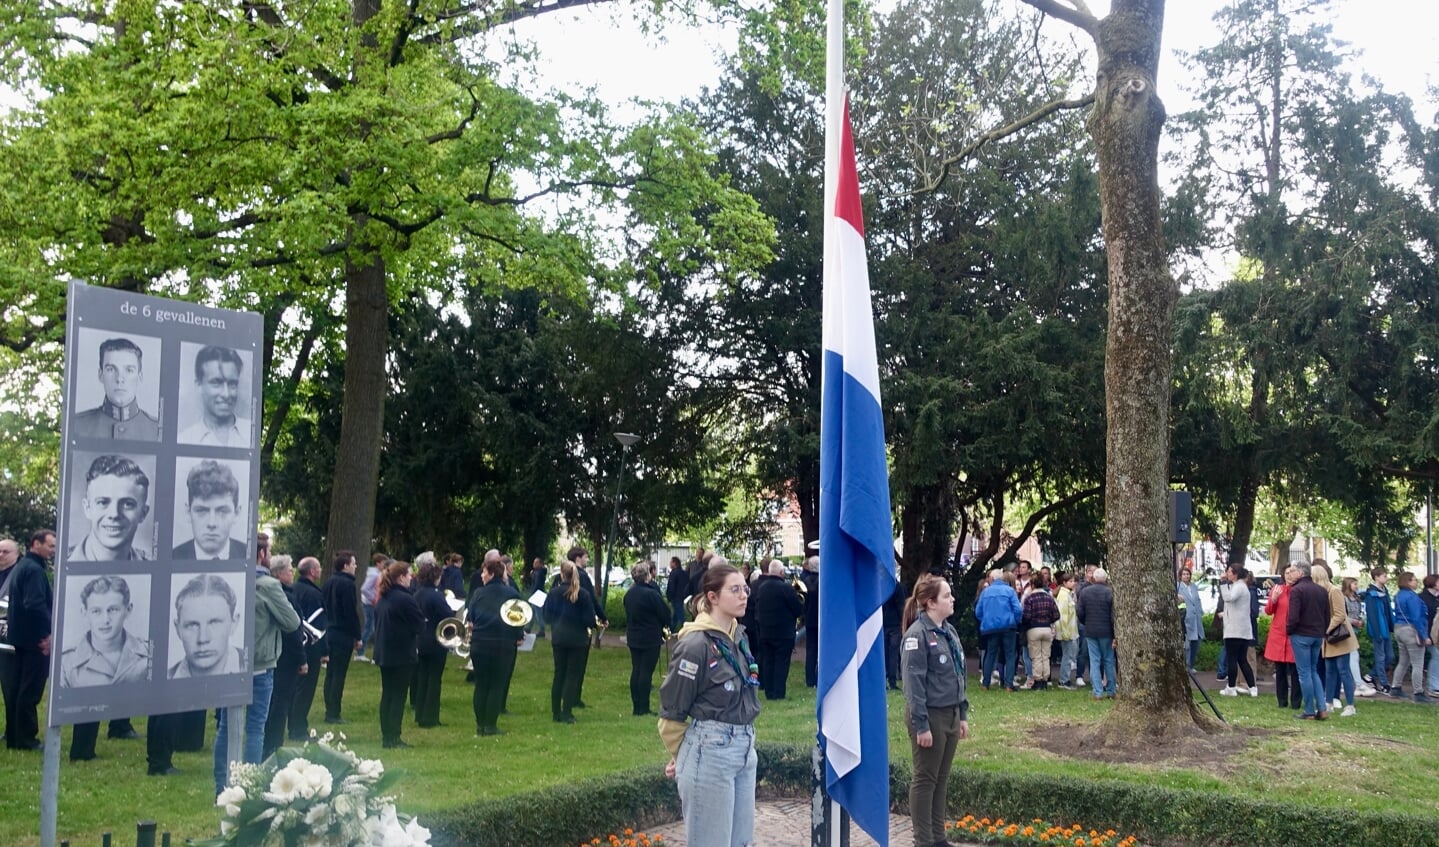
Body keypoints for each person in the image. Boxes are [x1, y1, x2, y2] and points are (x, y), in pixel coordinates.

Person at [657, 563, 761, 847]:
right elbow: (672, 713)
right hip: (711, 750)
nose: (744, 596)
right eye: (735, 590)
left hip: (744, 747)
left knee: (741, 842)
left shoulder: (739, 636)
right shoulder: (695, 644)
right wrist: (683, 755)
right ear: (712, 597)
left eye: (745, 589)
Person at [900, 574, 969, 847]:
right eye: (946, 595)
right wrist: (921, 725)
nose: (952, 599)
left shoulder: (948, 632)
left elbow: (959, 675)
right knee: (925, 779)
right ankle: (924, 841)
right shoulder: (916, 636)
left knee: (941, 779)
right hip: (930, 715)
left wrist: (962, 715)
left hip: (950, 713)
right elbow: (913, 685)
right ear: (930, 603)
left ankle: (939, 838)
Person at [63, 573, 152, 763]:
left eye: (113, 610)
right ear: (84, 611)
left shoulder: (147, 656)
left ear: (128, 610)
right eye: (96, 611)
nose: (105, 620)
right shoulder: (68, 662)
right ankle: (82, 751)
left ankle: (120, 727)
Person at [1, 532, 54, 751]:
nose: (53, 550)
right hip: (35, 641)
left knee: (17, 689)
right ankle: (26, 739)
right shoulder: (33, 570)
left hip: (20, 639)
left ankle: (15, 736)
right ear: (36, 544)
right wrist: (52, 631)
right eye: (50, 546)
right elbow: (34, 604)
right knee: (29, 691)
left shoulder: (22, 568)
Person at [465, 555, 523, 736]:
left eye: (483, 571)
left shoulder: (478, 594)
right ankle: (490, 725)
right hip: (502, 643)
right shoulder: (511, 593)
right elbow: (518, 619)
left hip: (480, 643)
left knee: (481, 684)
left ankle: (480, 725)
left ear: (491, 573)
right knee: (496, 685)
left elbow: (471, 619)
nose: (481, 575)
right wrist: (518, 636)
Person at [372, 561, 424, 749]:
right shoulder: (404, 598)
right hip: (401, 653)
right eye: (409, 575)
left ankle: (387, 735)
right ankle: (394, 736)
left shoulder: (383, 597)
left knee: (388, 694)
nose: (411, 578)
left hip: (385, 652)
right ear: (401, 577)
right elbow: (419, 624)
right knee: (398, 696)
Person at [543, 553, 598, 723]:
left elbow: (546, 617)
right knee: (572, 676)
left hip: (559, 637)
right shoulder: (582, 594)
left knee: (559, 674)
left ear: (561, 575)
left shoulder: (553, 593)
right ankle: (567, 712)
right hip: (578, 639)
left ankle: (555, 712)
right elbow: (589, 620)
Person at [71, 337, 161, 441]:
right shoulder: (76, 425)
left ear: (140, 376)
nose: (119, 379)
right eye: (111, 369)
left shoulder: (157, 430)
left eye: (129, 370)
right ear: (100, 375)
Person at [262, 555, 307, 757]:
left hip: (280, 654)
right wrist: (302, 658)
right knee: (280, 702)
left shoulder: (286, 592)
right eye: (289, 569)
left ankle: (271, 742)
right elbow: (293, 629)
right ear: (279, 573)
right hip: (286, 656)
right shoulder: (282, 595)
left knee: (277, 701)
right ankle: (273, 745)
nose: (293, 572)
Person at [68, 454, 152, 561]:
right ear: (87, 508)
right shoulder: (62, 561)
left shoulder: (153, 564)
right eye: (103, 502)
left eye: (127, 504)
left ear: (143, 513)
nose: (114, 514)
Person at [169, 574, 245, 678]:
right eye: (192, 625)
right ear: (178, 629)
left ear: (234, 623)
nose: (202, 639)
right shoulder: (163, 677)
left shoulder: (253, 668)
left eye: (214, 623)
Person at [172, 460, 248, 560]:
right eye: (202, 511)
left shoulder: (247, 555)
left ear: (236, 513)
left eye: (222, 511)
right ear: (188, 512)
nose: (211, 523)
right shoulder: (172, 557)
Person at [623, 561, 671, 715]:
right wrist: (665, 624)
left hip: (634, 635)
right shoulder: (651, 594)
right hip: (650, 636)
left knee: (636, 669)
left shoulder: (629, 594)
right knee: (646, 672)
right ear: (647, 575)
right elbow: (664, 613)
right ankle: (643, 707)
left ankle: (636, 706)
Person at [750, 559, 803, 700]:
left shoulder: (762, 588)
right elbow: (797, 609)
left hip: (765, 631)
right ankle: (778, 692)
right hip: (784, 633)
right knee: (781, 662)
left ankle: (769, 692)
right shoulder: (786, 588)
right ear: (781, 572)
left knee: (768, 661)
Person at [177, 345, 251, 446]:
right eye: (216, 382)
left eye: (232, 384)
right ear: (199, 385)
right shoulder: (183, 440)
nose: (226, 394)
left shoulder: (251, 432)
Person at [288, 556, 328, 739]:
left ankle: (292, 724)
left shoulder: (293, 589)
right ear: (312, 571)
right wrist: (324, 650)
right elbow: (319, 626)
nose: (320, 571)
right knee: (306, 689)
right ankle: (298, 728)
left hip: (294, 645)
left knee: (294, 686)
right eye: (318, 568)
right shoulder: (314, 595)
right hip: (310, 647)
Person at [321, 550, 362, 724]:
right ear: (345, 566)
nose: (355, 566)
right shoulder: (347, 584)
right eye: (353, 563)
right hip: (342, 632)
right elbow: (350, 612)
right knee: (339, 674)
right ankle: (333, 712)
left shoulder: (329, 581)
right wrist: (357, 635)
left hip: (329, 630)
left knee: (330, 673)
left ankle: (329, 706)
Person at [1314, 561, 1358, 717]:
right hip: (1329, 637)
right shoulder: (1321, 592)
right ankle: (1329, 702)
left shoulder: (1334, 591)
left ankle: (1351, 705)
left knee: (1343, 670)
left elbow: (1340, 615)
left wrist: (1325, 630)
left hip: (1339, 636)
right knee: (1330, 671)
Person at [411, 559, 450, 729]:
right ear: (435, 577)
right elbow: (447, 615)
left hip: (420, 640)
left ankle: (420, 714)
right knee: (434, 679)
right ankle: (430, 717)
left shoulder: (417, 594)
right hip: (435, 641)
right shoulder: (436, 595)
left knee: (422, 678)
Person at [974, 568, 1022, 692]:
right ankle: (1008, 685)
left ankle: (985, 683)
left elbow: (978, 612)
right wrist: (1014, 621)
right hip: (1008, 627)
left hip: (991, 627)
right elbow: (1018, 609)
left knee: (990, 654)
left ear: (992, 579)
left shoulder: (986, 592)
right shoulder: (1010, 591)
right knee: (1010, 655)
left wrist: (986, 620)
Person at [1388, 571, 1431, 703]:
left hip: (1399, 628)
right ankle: (1418, 692)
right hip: (1411, 629)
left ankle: (1396, 686)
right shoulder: (1412, 597)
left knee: (1403, 660)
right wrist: (1424, 635)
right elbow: (1416, 617)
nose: (1416, 582)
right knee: (1418, 663)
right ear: (1408, 582)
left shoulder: (1398, 595)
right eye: (1414, 580)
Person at [1077, 567, 1118, 699]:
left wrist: (1086, 623)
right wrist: (1114, 633)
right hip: (1106, 631)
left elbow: (1080, 612)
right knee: (1108, 661)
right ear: (1105, 578)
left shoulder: (1085, 592)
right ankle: (1111, 691)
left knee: (1094, 661)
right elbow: (1113, 616)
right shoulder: (1110, 592)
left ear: (1093, 578)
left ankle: (1097, 692)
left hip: (1091, 630)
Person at [1263, 566, 1301, 709]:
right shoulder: (1278, 589)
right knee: (1280, 671)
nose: (1289, 575)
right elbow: (1268, 611)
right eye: (1287, 573)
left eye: (1292, 572)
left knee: (1295, 670)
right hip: (1279, 635)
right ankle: (1282, 701)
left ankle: (1296, 702)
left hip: (1294, 635)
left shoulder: (1299, 591)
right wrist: (1273, 599)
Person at [1020, 573, 1060, 690]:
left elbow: (1026, 616)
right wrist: (1048, 620)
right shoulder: (1049, 597)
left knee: (1036, 656)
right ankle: (1045, 680)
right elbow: (1056, 615)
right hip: (1047, 628)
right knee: (1046, 656)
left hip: (1034, 628)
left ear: (1032, 585)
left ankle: (1038, 681)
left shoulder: (1029, 598)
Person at [1340, 577, 1377, 697]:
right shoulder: (1343, 598)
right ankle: (1358, 682)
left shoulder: (1356, 598)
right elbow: (1342, 615)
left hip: (1354, 630)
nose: (1356, 586)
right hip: (1346, 630)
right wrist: (1353, 621)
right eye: (1354, 584)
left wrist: (1360, 620)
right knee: (1353, 655)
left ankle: (1344, 683)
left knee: (1348, 656)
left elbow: (1359, 612)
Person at [1362, 567, 1394, 693]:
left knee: (1390, 656)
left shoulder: (1384, 591)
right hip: (1379, 629)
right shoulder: (1371, 594)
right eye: (1384, 576)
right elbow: (1372, 615)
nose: (1386, 578)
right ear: (1377, 577)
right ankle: (1384, 683)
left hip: (1386, 627)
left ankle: (1370, 676)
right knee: (1380, 657)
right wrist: (1376, 632)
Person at [356, 553, 386, 661]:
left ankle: (361, 651)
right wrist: (374, 599)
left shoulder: (375, 572)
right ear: (378, 563)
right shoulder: (374, 575)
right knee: (369, 628)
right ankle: (360, 652)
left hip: (369, 603)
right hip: (370, 604)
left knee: (370, 628)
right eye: (383, 563)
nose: (384, 565)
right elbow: (364, 589)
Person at [881, 577, 909, 691]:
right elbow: (901, 606)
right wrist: (903, 622)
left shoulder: (881, 586)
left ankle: (884, 679)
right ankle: (892, 680)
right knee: (893, 653)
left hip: (883, 624)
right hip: (895, 625)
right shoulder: (898, 587)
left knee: (884, 653)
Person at [1054, 571, 1081, 688]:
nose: (1073, 583)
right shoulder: (1064, 595)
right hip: (1067, 632)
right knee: (1068, 656)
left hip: (1070, 631)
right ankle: (1064, 680)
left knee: (1069, 655)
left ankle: (1064, 679)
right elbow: (1063, 616)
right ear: (1064, 583)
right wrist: (1065, 632)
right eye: (1070, 581)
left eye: (1074, 581)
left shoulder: (1068, 594)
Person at [1177, 567, 1205, 673]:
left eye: (1188, 574)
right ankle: (1186, 666)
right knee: (1187, 645)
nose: (1186, 576)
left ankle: (1191, 665)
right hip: (1186, 618)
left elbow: (1197, 600)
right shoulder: (1178, 586)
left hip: (1196, 618)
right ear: (1180, 576)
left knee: (1196, 642)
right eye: (1184, 574)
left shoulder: (1193, 586)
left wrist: (1200, 612)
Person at [800, 555, 820, 688]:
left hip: (809, 619)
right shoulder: (824, 581)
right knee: (821, 650)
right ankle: (819, 678)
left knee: (810, 649)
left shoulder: (804, 581)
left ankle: (809, 679)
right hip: (821, 620)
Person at [664, 555, 689, 634]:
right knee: (675, 615)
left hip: (675, 597)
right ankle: (670, 630)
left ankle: (686, 630)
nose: (670, 564)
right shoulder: (683, 573)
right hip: (681, 596)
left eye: (671, 562)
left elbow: (671, 586)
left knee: (680, 615)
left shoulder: (674, 573)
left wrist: (669, 596)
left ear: (675, 563)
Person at [526, 557, 549, 639]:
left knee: (538, 613)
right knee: (533, 611)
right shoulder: (539, 572)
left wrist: (532, 593)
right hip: (539, 593)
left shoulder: (539, 573)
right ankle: (529, 627)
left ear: (540, 564)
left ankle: (542, 630)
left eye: (536, 563)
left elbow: (537, 584)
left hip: (537, 594)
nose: (534, 564)